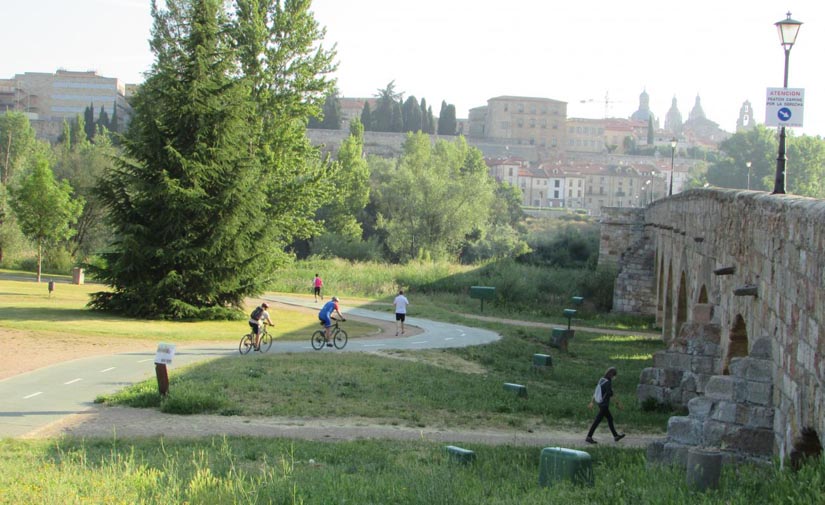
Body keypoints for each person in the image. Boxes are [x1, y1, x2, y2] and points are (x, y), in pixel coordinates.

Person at [585, 366, 626, 444]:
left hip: (600, 403)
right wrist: (618, 404)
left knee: (609, 419)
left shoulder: (602, 380)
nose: (615, 377)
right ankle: (589, 437)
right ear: (612, 375)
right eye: (614, 376)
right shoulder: (608, 382)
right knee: (597, 421)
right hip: (604, 405)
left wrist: (592, 402)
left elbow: (596, 391)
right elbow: (611, 395)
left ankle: (616, 436)